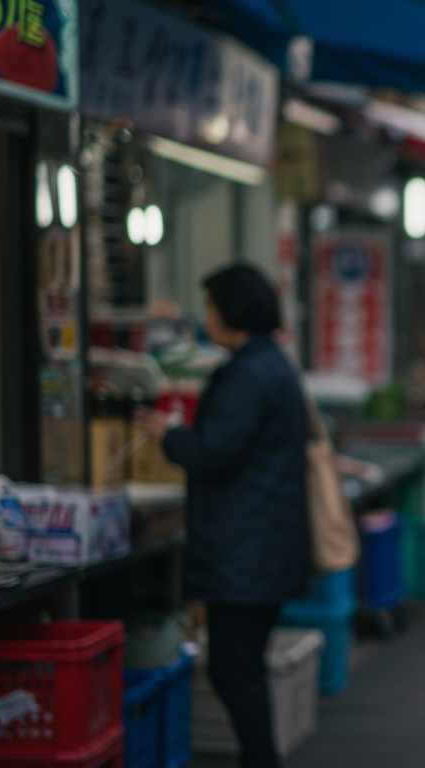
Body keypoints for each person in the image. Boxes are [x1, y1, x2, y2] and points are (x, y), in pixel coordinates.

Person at [142, 264, 309, 768]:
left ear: (231, 312)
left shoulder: (247, 373)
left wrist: (166, 435)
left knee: (235, 669)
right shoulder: (270, 364)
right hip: (263, 542)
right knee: (242, 666)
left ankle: (261, 760)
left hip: (246, 548)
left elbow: (215, 450)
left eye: (212, 306)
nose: (207, 316)